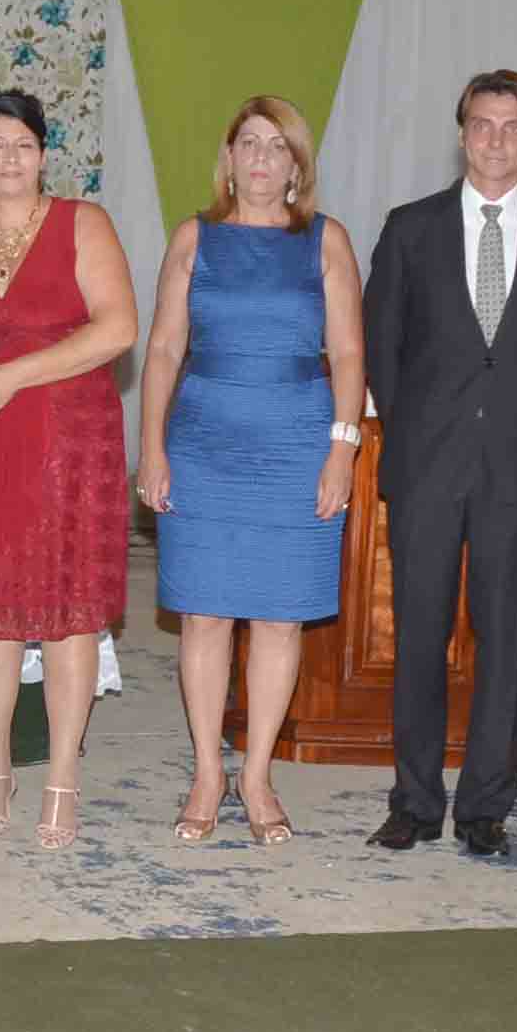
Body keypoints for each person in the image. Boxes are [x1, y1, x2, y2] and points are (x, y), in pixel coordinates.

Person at [362, 70, 517, 857]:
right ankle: (415, 802)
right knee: (419, 636)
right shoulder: (411, 228)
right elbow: (383, 345)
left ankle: (486, 806)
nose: (496, 140)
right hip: (428, 466)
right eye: (482, 125)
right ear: (463, 133)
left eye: (512, 127)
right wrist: (417, 432)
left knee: (505, 640)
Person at [137, 96, 364, 844]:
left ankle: (257, 775)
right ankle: (208, 772)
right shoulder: (194, 237)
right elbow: (163, 349)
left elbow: (350, 354)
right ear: (229, 157)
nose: (262, 157)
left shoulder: (326, 240)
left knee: (278, 616)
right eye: (250, 143)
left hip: (297, 442)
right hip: (204, 441)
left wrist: (341, 449)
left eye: (278, 146)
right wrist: (152, 446)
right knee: (204, 614)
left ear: (297, 165)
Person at [0, 90, 137, 849]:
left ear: (44, 154)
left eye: (23, 144)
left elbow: (119, 328)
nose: (10, 158)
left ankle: (61, 775)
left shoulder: (83, 223)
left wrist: (13, 375)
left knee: (67, 610)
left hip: (73, 442)